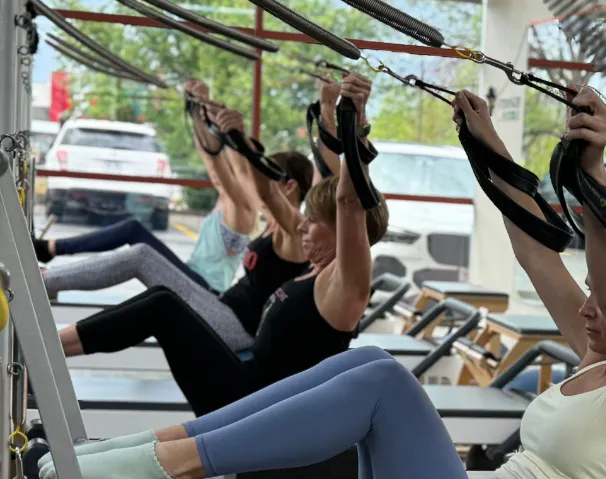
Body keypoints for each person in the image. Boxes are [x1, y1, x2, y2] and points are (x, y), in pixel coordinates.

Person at [47, 87, 606, 479]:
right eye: (589, 293)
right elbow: (536, 249)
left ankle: (173, 464)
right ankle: (167, 446)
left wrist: (592, 175)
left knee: (385, 383)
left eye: (604, 294)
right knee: (360, 369)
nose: (587, 302)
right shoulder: (595, 352)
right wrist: (485, 146)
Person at [54, 74, 387, 417]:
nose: (303, 222)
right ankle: (48, 348)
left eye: (314, 220)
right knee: (161, 300)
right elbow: (326, 177)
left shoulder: (344, 285)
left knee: (162, 305)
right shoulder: (316, 270)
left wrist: (356, 119)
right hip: (244, 384)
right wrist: (329, 108)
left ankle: (45, 348)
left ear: (343, 233)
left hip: (251, 407)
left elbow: (347, 201)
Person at [38, 94, 322, 350]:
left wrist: (240, 137)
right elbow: (224, 167)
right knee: (153, 292)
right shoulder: (270, 224)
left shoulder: (294, 230)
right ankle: (51, 338)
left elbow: (262, 186)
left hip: (234, 326)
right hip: (222, 307)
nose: (259, 180)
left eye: (272, 176)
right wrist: (202, 115)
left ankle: (46, 289)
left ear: (290, 186)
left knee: (142, 257)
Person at [35, 80, 292, 294]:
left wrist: (229, 130)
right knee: (134, 236)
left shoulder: (244, 210)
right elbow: (211, 156)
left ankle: (51, 262)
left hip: (204, 289)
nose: (224, 173)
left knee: (134, 233)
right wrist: (198, 109)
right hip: (191, 276)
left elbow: (226, 161)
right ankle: (51, 257)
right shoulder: (229, 200)